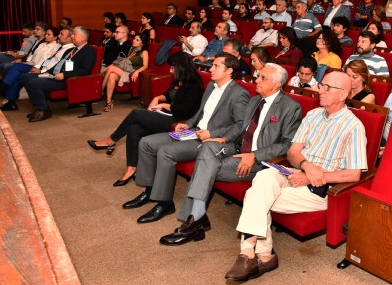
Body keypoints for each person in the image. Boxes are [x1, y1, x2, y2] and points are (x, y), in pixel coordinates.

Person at [223, 71, 367, 282]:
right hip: (296, 171)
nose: (321, 90)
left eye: (327, 87)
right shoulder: (313, 115)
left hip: (320, 188)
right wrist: (306, 167)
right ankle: (255, 254)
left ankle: (255, 254)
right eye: (321, 86)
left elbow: (354, 174)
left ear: (343, 94)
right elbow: (293, 152)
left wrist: (312, 177)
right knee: (262, 180)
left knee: (254, 196)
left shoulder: (353, 126)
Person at [159, 64, 303, 246]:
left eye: (262, 78)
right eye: (258, 76)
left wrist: (255, 155)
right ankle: (196, 218)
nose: (256, 80)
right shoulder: (254, 100)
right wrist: (223, 138)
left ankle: (194, 220)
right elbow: (239, 127)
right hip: (236, 148)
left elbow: (287, 145)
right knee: (208, 147)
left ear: (276, 84)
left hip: (258, 161)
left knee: (205, 166)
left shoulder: (290, 107)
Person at [122, 53, 250, 224]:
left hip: (210, 140)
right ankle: (149, 190)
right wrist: (188, 124)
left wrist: (212, 134)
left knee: (166, 152)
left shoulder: (239, 93)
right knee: (146, 143)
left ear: (229, 71)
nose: (211, 69)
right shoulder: (212, 86)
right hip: (195, 132)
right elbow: (200, 113)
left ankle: (164, 202)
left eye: (216, 66)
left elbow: (240, 125)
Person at [87, 54, 204, 186]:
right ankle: (131, 168)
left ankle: (111, 140)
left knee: (137, 113)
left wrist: (164, 105)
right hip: (168, 115)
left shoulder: (194, 85)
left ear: (181, 67)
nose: (171, 71)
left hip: (180, 123)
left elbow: (184, 110)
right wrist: (158, 98)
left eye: (173, 68)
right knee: (133, 129)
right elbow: (168, 94)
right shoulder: (179, 79)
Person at [21, 26, 97, 122]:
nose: (72, 36)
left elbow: (85, 71)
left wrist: (64, 75)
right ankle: (37, 105)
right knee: (25, 76)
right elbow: (60, 63)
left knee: (33, 83)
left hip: (68, 80)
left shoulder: (89, 51)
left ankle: (43, 110)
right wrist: (47, 71)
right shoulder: (74, 49)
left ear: (83, 37)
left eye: (74, 34)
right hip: (56, 75)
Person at [0, 26, 61, 111]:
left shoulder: (34, 40)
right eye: (35, 29)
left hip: (37, 66)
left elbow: (26, 52)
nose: (35, 31)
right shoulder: (38, 42)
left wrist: (18, 55)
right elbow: (30, 53)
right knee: (9, 71)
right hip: (26, 61)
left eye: (38, 29)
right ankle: (11, 102)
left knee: (12, 66)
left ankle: (3, 86)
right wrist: (19, 56)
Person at [102, 33, 150, 112]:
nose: (134, 41)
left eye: (137, 40)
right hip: (125, 72)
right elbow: (126, 62)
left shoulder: (144, 52)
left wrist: (137, 72)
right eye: (134, 39)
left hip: (132, 74)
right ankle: (109, 102)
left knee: (110, 68)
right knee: (112, 76)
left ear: (142, 43)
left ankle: (101, 90)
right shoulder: (132, 49)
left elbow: (145, 66)